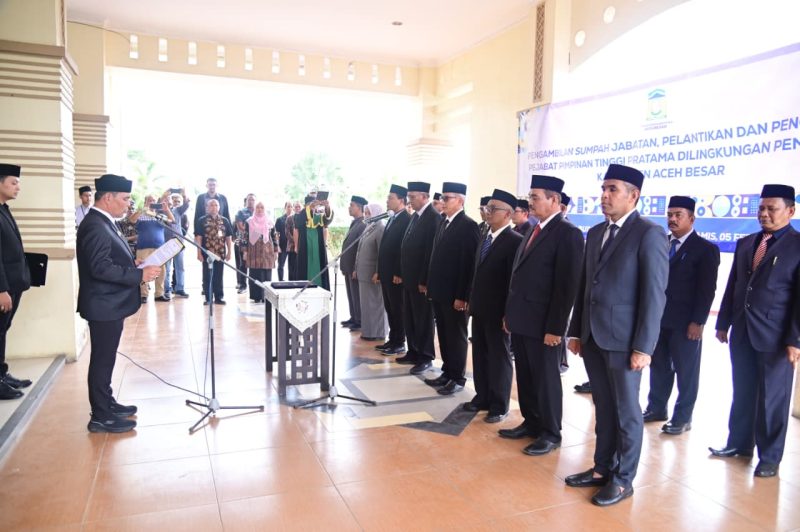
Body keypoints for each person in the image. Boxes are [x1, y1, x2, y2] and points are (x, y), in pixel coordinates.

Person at [565, 164, 668, 506]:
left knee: (626, 413)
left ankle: (623, 479)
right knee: (603, 407)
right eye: (603, 189)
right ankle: (601, 469)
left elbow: (654, 295)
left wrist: (643, 346)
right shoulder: (595, 232)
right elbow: (583, 286)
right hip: (593, 338)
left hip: (625, 343)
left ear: (633, 195)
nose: (604, 196)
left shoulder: (648, 233)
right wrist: (576, 331)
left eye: (612, 189)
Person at [711, 184, 799, 479]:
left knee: (773, 398)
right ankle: (739, 444)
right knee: (743, 390)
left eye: (771, 209)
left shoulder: (797, 245)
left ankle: (770, 457)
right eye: (761, 208)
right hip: (743, 332)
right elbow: (733, 286)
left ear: (790, 211)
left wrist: (794, 339)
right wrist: (723, 322)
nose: (764, 214)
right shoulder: (747, 242)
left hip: (776, 337)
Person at [500, 175, 584, 454]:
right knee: (525, 374)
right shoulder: (533, 229)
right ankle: (531, 422)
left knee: (546, 378)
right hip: (523, 319)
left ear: (555, 200)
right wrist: (510, 315)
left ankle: (550, 431)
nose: (530, 201)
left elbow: (567, 286)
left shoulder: (567, 233)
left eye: (536, 197)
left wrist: (556, 328)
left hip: (545, 323)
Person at [76, 173, 161, 432]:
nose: (128, 204)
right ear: (109, 197)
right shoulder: (94, 225)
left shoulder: (104, 221)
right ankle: (100, 416)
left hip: (109, 304)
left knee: (107, 358)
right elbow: (99, 268)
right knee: (102, 360)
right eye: (125, 199)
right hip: (103, 305)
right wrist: (138, 275)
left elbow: (109, 259)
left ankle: (107, 402)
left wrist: (132, 263)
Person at [644, 196, 719, 435]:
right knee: (659, 366)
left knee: (686, 371)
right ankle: (656, 408)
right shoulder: (661, 243)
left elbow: (707, 289)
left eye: (678, 215)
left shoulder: (705, 249)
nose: (672, 219)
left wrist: (698, 321)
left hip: (686, 322)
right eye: (670, 214)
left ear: (692, 218)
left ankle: (683, 417)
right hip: (659, 319)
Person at [464, 188, 521, 421]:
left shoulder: (515, 241)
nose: (487, 211)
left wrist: (509, 314)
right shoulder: (485, 235)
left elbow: (513, 283)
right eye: (488, 207)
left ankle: (499, 404)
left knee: (499, 357)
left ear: (507, 214)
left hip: (498, 312)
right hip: (480, 308)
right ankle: (482, 396)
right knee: (480, 354)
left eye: (493, 208)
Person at [424, 182, 480, 394]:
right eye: (441, 198)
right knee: (444, 335)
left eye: (447, 198)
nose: (442, 202)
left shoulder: (468, 225)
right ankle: (447, 372)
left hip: (455, 295)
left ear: (461, 200)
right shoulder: (443, 222)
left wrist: (462, 296)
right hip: (439, 291)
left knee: (456, 336)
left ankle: (457, 378)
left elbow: (468, 265)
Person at [397, 182, 440, 375]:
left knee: (423, 319)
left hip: (420, 281)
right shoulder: (415, 216)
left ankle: (425, 356)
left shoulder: (433, 218)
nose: (409, 200)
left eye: (413, 197)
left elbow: (430, 253)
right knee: (410, 317)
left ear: (425, 197)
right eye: (409, 197)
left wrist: (424, 280)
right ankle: (413, 350)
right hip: (408, 278)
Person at [0, 164, 33, 400]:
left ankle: (2, 373)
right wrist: (1, 289)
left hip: (14, 283)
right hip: (4, 287)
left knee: (3, 330)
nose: (18, 187)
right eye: (13, 182)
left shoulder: (4, 209)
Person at [376, 185, 411, 356]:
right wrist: (379, 270)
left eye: (391, 197)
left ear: (401, 200)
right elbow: (384, 247)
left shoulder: (406, 219)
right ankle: (393, 338)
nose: (387, 200)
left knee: (398, 308)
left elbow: (403, 249)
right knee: (390, 307)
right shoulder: (392, 218)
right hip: (386, 272)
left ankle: (399, 342)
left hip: (396, 275)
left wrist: (399, 272)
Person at [128, 195, 174, 303]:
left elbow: (172, 221)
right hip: (143, 247)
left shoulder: (159, 216)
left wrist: (166, 210)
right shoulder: (141, 214)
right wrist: (143, 208)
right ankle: (143, 294)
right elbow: (131, 220)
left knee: (161, 271)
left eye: (153, 200)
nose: (152, 202)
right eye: (149, 200)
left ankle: (159, 294)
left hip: (159, 248)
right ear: (145, 202)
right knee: (142, 269)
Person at [355, 203, 388, 341]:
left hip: (373, 274)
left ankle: (378, 332)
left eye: (368, 212)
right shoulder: (369, 227)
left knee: (375, 304)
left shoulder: (380, 227)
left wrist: (378, 271)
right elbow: (360, 250)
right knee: (367, 306)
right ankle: (368, 332)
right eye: (365, 212)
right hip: (364, 273)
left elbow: (382, 252)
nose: (366, 215)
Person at [195, 198, 234, 305]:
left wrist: (229, 252)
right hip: (206, 254)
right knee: (207, 276)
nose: (214, 207)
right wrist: (198, 253)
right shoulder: (201, 220)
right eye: (211, 205)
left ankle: (219, 297)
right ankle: (208, 298)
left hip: (220, 253)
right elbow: (198, 237)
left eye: (216, 205)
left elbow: (228, 238)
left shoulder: (224, 220)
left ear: (219, 207)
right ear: (207, 208)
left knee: (218, 276)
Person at [293, 195, 333, 290]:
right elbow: (297, 224)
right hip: (305, 248)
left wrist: (327, 207)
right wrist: (309, 208)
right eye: (311, 205)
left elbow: (327, 221)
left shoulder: (319, 215)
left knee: (320, 270)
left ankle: (321, 289)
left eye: (315, 205)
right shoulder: (300, 215)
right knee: (304, 271)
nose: (313, 207)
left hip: (318, 248)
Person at [341, 196, 368, 330]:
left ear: (359, 207)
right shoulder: (355, 223)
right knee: (351, 294)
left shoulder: (362, 224)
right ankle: (354, 317)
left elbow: (360, 249)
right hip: (348, 267)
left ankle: (359, 320)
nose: (349, 208)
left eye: (352, 205)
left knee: (356, 295)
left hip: (354, 267)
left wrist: (355, 267)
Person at [245, 201, 278, 303]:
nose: (259, 209)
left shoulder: (270, 222)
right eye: (258, 207)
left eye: (262, 207)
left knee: (266, 274)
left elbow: (274, 237)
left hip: (267, 252)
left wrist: (276, 251)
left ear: (264, 209)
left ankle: (266, 297)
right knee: (255, 273)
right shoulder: (249, 221)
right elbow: (245, 237)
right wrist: (244, 251)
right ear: (255, 209)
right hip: (253, 251)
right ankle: (256, 296)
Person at [163, 190, 191, 299]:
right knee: (167, 268)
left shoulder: (178, 211)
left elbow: (187, 204)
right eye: (172, 199)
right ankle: (166, 289)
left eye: (177, 200)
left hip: (178, 242)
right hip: (165, 243)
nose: (175, 202)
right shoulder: (162, 210)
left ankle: (180, 289)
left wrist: (184, 193)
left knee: (180, 267)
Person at [234, 194, 256, 293]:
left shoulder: (258, 211)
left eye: (253, 199)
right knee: (243, 264)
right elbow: (241, 227)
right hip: (244, 241)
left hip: (256, 242)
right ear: (246, 201)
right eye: (249, 199)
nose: (251, 201)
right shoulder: (241, 212)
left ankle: (254, 287)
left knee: (255, 265)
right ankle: (243, 285)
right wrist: (254, 230)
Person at [284, 201, 302, 280]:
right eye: (296, 207)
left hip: (302, 247)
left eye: (299, 206)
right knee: (291, 268)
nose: (297, 208)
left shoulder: (303, 218)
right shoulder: (289, 218)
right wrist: (296, 242)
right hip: (291, 247)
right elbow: (287, 233)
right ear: (293, 208)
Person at [275, 202, 292, 281]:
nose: (290, 208)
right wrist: (277, 246)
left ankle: (292, 281)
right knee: (281, 265)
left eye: (291, 207)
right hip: (282, 245)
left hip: (292, 246)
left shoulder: (295, 219)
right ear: (285, 208)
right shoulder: (279, 220)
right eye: (288, 207)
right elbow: (276, 234)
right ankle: (281, 281)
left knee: (292, 266)